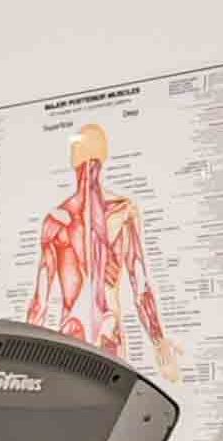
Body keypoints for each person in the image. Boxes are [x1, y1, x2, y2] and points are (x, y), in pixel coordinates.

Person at [23, 121, 180, 381]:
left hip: (72, 334)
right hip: (109, 329)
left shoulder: (56, 220)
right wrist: (159, 343)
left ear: (74, 160)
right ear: (104, 156)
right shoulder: (123, 211)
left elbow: (39, 302)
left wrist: (21, 362)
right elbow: (140, 286)